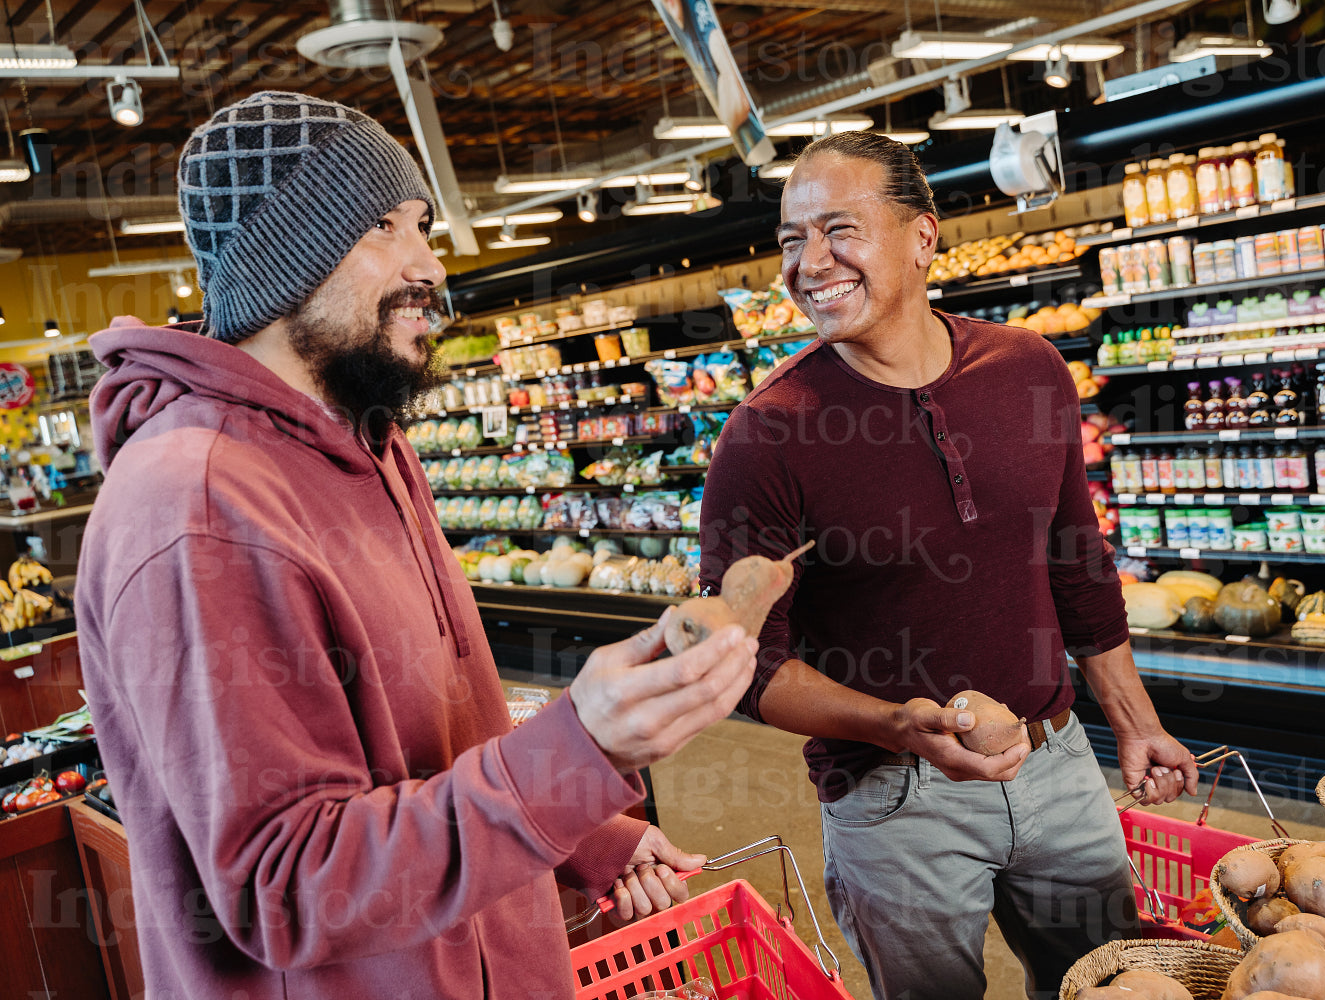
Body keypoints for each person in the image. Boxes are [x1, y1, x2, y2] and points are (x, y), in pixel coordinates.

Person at [76, 91, 759, 1000]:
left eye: (424, 226)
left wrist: (587, 826)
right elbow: (285, 888)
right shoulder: (197, 507)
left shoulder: (373, 441)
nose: (429, 265)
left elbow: (428, 746)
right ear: (289, 260)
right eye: (383, 229)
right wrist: (573, 751)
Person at [698, 131, 1200, 1000]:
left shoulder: (1030, 371)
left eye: (838, 230)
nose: (810, 263)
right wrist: (899, 726)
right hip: (894, 801)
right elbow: (750, 667)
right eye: (791, 239)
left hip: (1058, 762)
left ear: (923, 237)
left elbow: (1076, 564)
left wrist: (1135, 719)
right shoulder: (767, 435)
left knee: (1118, 987)